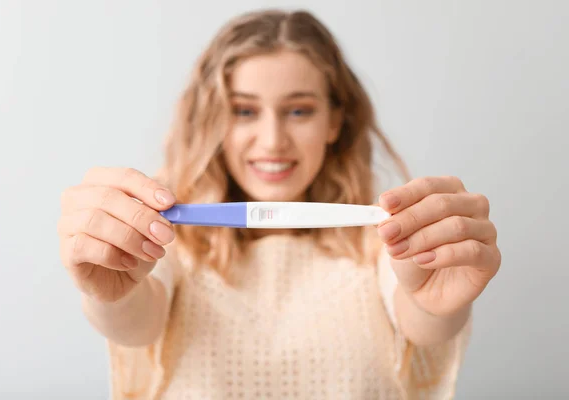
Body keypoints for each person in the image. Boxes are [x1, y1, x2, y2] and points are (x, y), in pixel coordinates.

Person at [57, 9, 501, 400]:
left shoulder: (383, 244)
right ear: (213, 120)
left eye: (299, 111)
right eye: (244, 111)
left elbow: (421, 320)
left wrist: (434, 304)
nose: (272, 141)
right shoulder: (166, 242)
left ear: (334, 121)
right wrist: (110, 297)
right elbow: (137, 324)